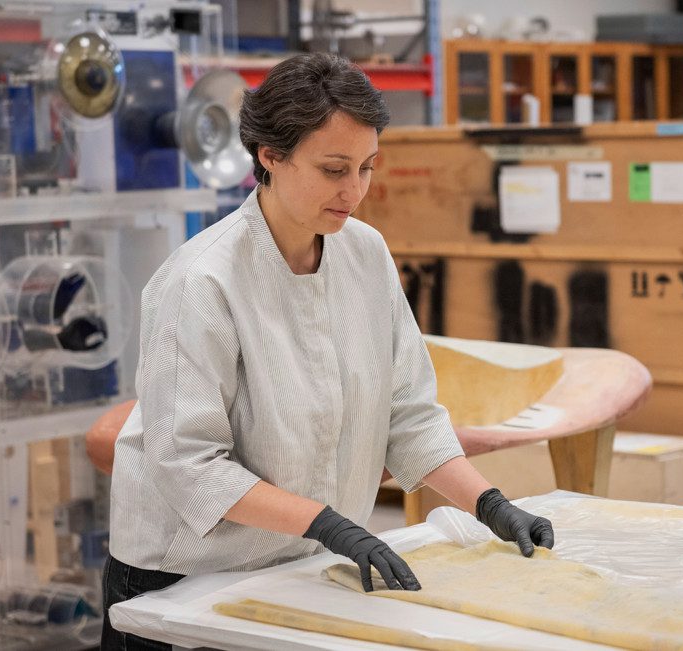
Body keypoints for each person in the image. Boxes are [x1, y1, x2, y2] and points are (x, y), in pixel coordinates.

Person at [102, 52, 555, 650]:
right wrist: (330, 524)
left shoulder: (364, 254)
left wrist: (490, 504)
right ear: (270, 156)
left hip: (300, 563)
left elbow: (408, 414)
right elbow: (189, 466)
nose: (355, 191)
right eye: (334, 169)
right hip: (181, 578)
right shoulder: (202, 281)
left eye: (367, 167)